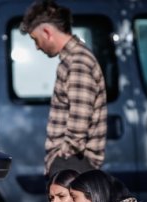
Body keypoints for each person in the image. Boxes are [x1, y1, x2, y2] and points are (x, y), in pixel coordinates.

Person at [20, 0, 107, 177]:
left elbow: (79, 122)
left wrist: (60, 158)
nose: (37, 47)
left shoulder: (78, 61)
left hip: (74, 163)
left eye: (35, 39)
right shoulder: (73, 59)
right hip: (72, 162)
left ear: (46, 32)